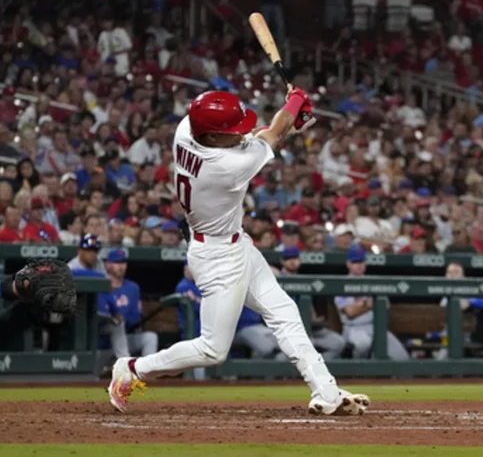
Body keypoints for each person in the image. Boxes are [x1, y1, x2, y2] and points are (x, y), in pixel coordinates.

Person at [107, 88, 369, 416]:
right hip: (216, 258)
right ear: (214, 136)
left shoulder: (187, 129)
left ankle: (326, 391)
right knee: (213, 350)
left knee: (284, 311)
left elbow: (259, 137)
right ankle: (132, 368)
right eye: (230, 131)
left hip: (235, 242)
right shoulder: (225, 167)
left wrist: (291, 120)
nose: (239, 133)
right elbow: (270, 135)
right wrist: (294, 104)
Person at [334, 245, 410, 361]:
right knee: (363, 344)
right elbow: (350, 312)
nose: (359, 265)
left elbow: (385, 305)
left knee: (402, 357)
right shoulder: (341, 284)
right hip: (354, 328)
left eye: (361, 261)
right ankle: (356, 374)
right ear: (348, 264)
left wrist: (361, 304)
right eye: (355, 262)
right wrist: (370, 303)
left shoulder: (373, 281)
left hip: (375, 327)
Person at [277, 246, 346, 360]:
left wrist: (315, 320)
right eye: (288, 258)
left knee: (338, 343)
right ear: (282, 261)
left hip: (309, 329)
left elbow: (309, 309)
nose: (292, 261)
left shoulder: (303, 279)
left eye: (295, 258)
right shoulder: (276, 281)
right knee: (290, 353)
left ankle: (316, 369)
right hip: (287, 330)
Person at [100, 249, 159, 363]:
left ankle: (147, 374)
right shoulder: (100, 285)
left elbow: (134, 319)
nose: (121, 266)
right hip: (102, 342)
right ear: (107, 265)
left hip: (125, 338)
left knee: (150, 337)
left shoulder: (132, 288)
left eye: (123, 263)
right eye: (117, 263)